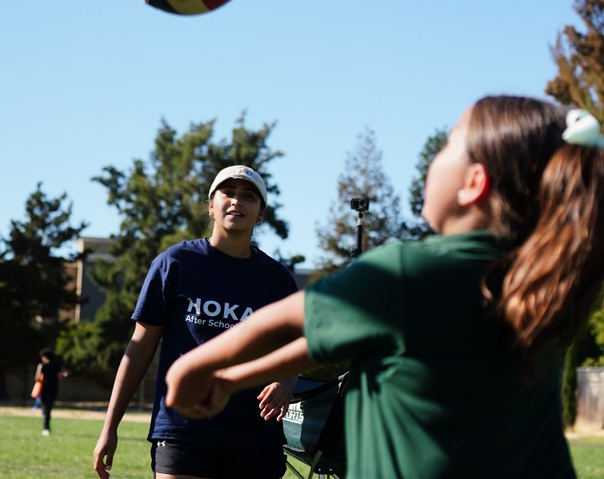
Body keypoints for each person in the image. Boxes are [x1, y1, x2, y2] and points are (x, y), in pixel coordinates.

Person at [165, 97, 604, 479]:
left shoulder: (404, 272)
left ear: (474, 184)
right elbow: (340, 337)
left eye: (450, 143)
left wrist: (197, 369)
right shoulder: (538, 280)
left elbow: (278, 325)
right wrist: (233, 380)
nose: (435, 153)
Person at [93, 165, 298, 479]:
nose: (236, 201)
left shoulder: (277, 279)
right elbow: (139, 348)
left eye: (248, 196)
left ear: (261, 214)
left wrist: (285, 383)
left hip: (254, 437)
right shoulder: (175, 263)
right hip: (182, 430)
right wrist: (110, 427)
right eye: (227, 193)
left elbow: (296, 348)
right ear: (211, 205)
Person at [35, 348, 68, 436]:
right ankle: (46, 424)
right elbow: (63, 374)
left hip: (44, 389)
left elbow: (37, 378)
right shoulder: (56, 366)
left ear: (44, 357)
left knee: (46, 409)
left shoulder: (42, 365)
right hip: (54, 389)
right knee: (48, 408)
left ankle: (46, 428)